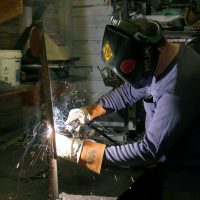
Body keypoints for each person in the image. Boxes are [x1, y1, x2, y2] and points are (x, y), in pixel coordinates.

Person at [55, 18, 200, 200]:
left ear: (148, 55)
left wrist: (82, 152)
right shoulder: (162, 60)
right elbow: (128, 92)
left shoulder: (178, 88)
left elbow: (149, 150)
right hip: (164, 171)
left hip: (185, 185)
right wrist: (89, 112)